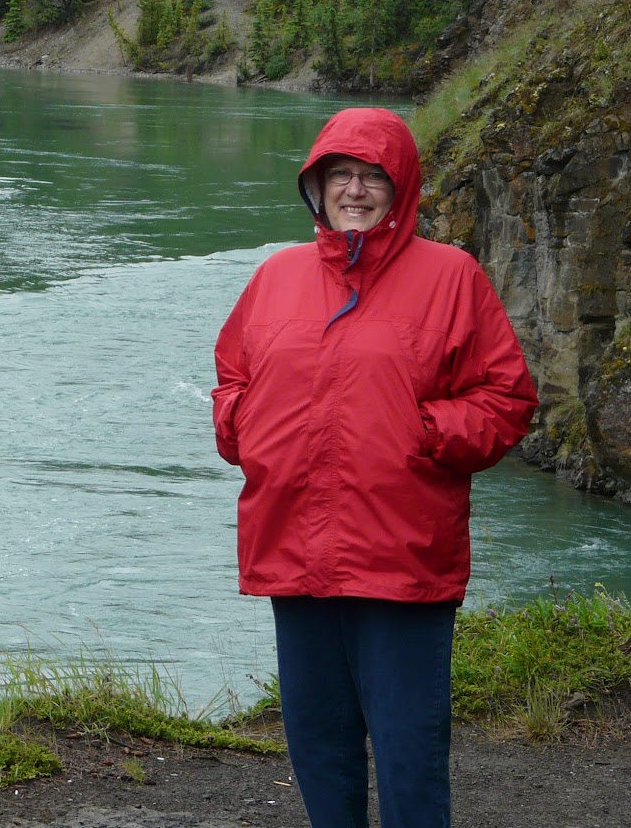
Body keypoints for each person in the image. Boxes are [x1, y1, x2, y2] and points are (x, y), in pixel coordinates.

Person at [211, 107, 536, 828]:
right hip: (293, 548)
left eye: (372, 177)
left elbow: (507, 398)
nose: (354, 190)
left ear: (401, 188)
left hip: (402, 554)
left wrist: (424, 432)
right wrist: (245, 426)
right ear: (316, 185)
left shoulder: (451, 277)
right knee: (318, 746)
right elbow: (232, 377)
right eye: (339, 175)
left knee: (408, 751)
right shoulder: (276, 276)